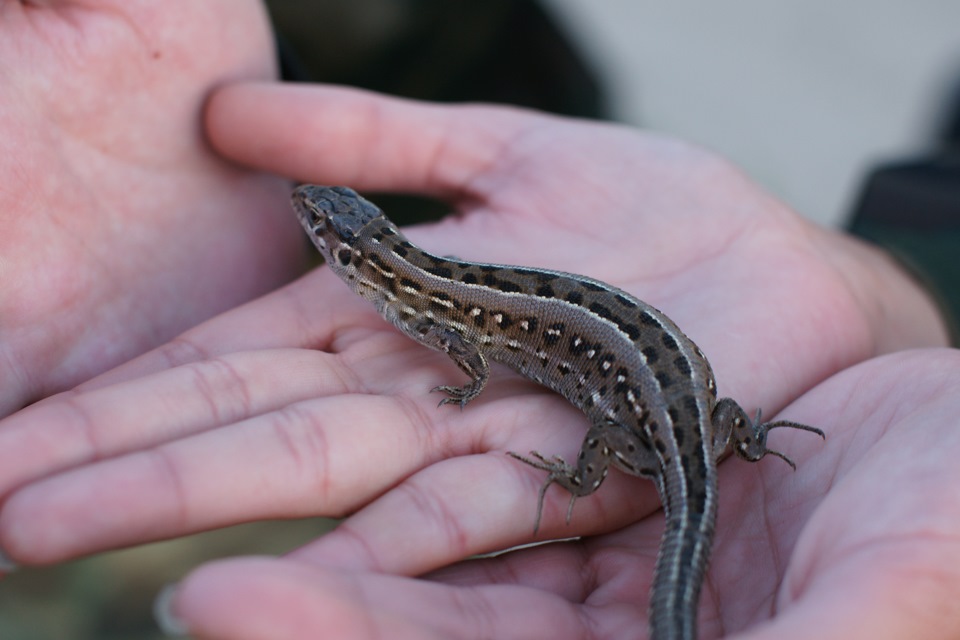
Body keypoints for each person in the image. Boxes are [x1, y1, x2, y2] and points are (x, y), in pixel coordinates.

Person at [1, 3, 958, 639]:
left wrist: (535, 446)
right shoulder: (431, 284)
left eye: (323, 228)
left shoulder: (436, 301)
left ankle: (612, 471)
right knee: (700, 448)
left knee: (640, 468)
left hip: (648, 430)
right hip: (697, 416)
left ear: (350, 250)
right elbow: (478, 344)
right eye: (320, 225)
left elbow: (468, 361)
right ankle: (740, 437)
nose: (317, 224)